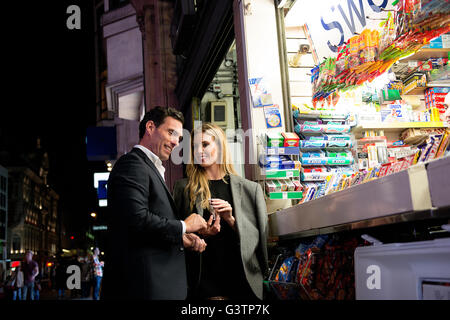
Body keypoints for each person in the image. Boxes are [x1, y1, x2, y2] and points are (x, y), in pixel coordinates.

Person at [102, 106, 208, 300]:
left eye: (179, 137)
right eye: (171, 133)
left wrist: (180, 238)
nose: (176, 142)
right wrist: (184, 226)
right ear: (150, 127)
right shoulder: (132, 164)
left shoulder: (150, 166)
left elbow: (146, 227)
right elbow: (137, 220)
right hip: (145, 289)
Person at [173, 123, 268, 300]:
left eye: (205, 144)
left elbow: (259, 242)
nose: (198, 151)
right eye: (194, 147)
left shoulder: (250, 190)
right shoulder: (183, 189)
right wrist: (200, 234)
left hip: (241, 284)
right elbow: (173, 234)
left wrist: (231, 220)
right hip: (200, 285)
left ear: (220, 146)